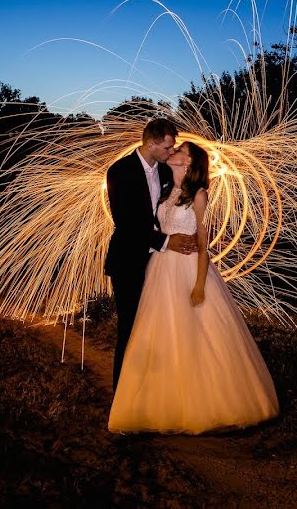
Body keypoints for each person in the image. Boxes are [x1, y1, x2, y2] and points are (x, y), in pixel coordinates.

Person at [108, 141, 279, 434]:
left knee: (195, 333)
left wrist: (200, 285)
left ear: (188, 163)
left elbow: (203, 246)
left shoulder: (198, 195)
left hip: (188, 271)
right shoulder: (165, 190)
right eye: (174, 149)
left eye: (180, 151)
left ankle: (205, 402)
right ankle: (157, 401)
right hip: (160, 268)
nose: (173, 152)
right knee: (158, 334)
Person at [103, 118, 198, 393]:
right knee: (130, 330)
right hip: (129, 262)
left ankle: (153, 393)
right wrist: (168, 240)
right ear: (152, 143)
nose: (172, 152)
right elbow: (127, 223)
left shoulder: (166, 171)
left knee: (159, 329)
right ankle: (122, 397)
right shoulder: (120, 171)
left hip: (159, 264)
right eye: (168, 147)